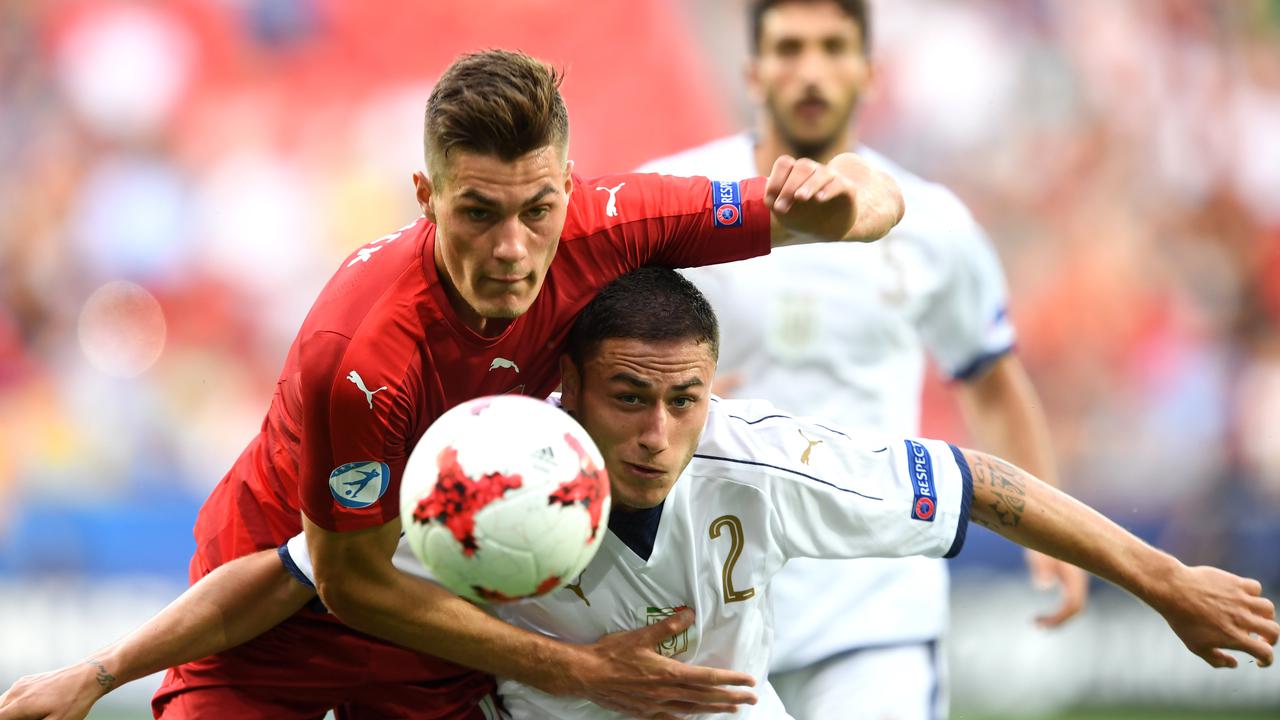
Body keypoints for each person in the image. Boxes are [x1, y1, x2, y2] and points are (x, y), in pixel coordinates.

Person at [0, 48, 907, 720]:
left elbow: (868, 204)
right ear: (425, 197)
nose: (512, 248)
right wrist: (575, 671)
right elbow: (334, 579)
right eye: (478, 213)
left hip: (438, 629)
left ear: (569, 187)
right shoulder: (358, 352)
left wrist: (842, 190)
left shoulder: (615, 223)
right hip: (264, 628)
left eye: (537, 209)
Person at [4, 268, 1274, 720]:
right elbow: (281, 580)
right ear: (567, 383)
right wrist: (100, 672)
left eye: (685, 398)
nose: (660, 432)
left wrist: (1162, 582)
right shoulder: (482, 474)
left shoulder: (760, 459)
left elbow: (978, 481)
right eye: (627, 399)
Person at [636, 1, 1088, 717]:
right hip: (710, 601)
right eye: (788, 48)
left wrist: (1051, 533)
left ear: (870, 71)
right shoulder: (676, 205)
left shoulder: (932, 222)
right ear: (753, 71)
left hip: (876, 605)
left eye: (832, 47)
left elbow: (992, 382)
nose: (810, 70)